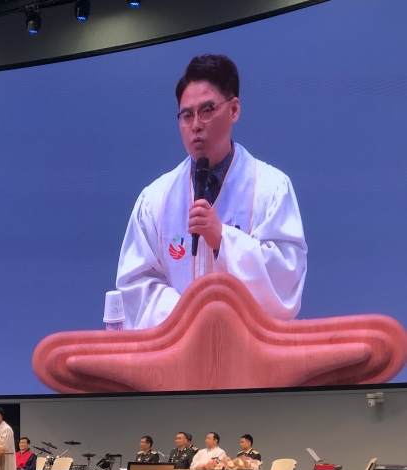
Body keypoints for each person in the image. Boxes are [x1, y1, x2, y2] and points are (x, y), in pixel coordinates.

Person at [116, 54, 307, 331]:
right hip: (180, 351)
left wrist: (222, 239)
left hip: (249, 352)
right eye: (186, 115)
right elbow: (135, 285)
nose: (196, 125)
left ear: (234, 110)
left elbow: (286, 277)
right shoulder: (155, 199)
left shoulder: (271, 187)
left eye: (207, 110)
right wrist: (190, 315)